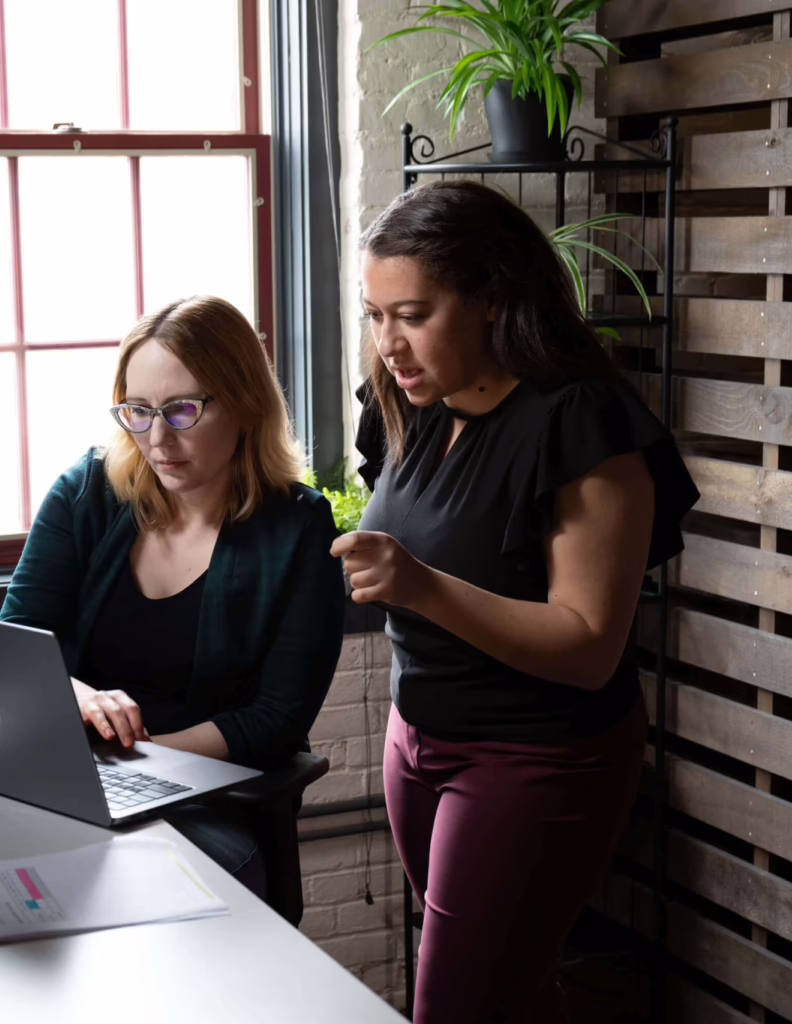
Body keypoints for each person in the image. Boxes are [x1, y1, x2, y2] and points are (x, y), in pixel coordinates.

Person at [332, 180, 699, 1024]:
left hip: (537, 756)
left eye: (413, 315)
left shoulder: (581, 423)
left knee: (456, 1007)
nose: (389, 343)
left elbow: (588, 644)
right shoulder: (406, 403)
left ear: (492, 299)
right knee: (511, 991)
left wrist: (421, 584)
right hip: (416, 737)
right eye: (374, 314)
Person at [0, 295, 345, 895]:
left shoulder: (298, 527)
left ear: (244, 404)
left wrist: (139, 762)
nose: (157, 437)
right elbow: (15, 647)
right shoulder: (87, 494)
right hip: (73, 779)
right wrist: (79, 698)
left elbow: (275, 719)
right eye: (137, 410)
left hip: (207, 796)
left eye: (182, 410)